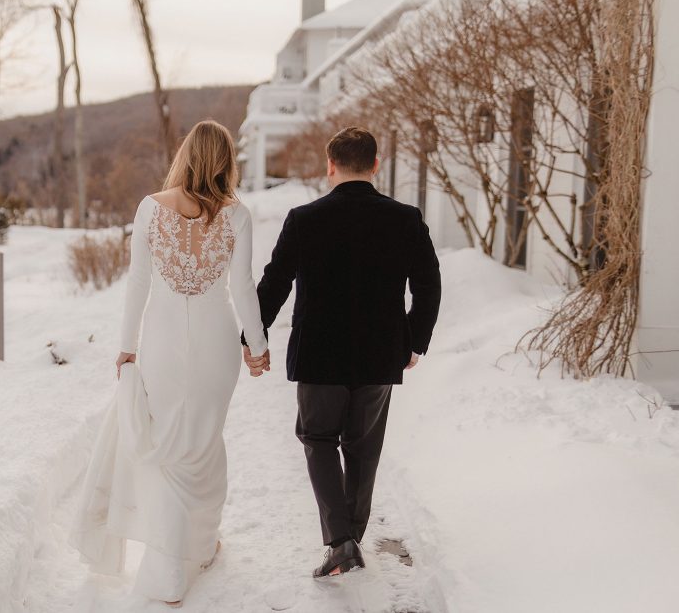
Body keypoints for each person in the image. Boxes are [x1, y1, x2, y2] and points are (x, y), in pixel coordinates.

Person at [70, 120, 268, 607]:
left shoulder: (149, 208)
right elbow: (242, 288)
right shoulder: (237, 215)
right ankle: (191, 551)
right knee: (201, 443)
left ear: (185, 155)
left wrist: (127, 346)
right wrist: (257, 346)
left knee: (167, 443)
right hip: (216, 340)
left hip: (159, 340)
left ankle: (174, 559)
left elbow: (137, 282)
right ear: (226, 160)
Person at [243, 126, 441, 578]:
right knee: (363, 446)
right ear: (375, 164)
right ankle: (350, 536)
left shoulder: (305, 219)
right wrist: (414, 341)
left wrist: (254, 337)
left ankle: (341, 541)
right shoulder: (405, 218)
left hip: (320, 354)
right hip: (379, 354)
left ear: (330, 165)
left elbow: (274, 282)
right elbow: (428, 285)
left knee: (318, 440)